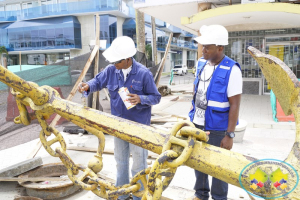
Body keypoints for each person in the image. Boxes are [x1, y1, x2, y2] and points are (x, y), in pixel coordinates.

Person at [78, 36, 161, 200]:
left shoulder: (144, 74)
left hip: (139, 129)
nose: (114, 64)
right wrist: (88, 86)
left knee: (139, 166)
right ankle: (122, 196)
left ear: (128, 59)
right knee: (121, 163)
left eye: (117, 61)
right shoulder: (111, 70)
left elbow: (156, 97)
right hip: (118, 126)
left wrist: (141, 99)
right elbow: (97, 81)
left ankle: (139, 196)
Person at [188, 25, 243, 200]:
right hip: (197, 125)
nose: (203, 50)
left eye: (207, 47)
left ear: (220, 48)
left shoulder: (232, 70)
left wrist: (230, 134)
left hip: (218, 129)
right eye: (202, 46)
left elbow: (235, 105)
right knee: (199, 163)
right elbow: (196, 91)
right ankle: (200, 195)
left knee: (218, 168)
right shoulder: (201, 64)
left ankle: (219, 198)